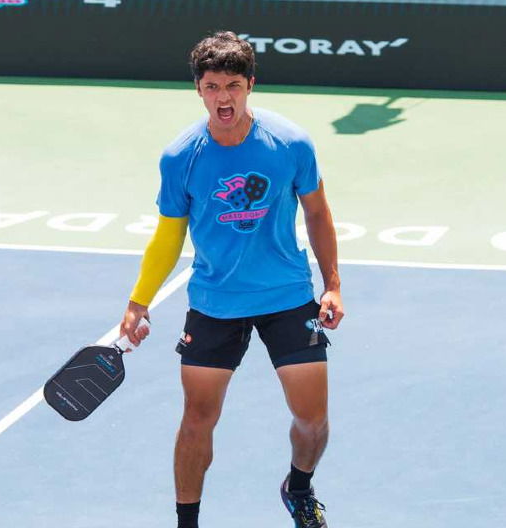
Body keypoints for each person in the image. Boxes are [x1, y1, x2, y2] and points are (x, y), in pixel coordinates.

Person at [118, 32, 344, 528]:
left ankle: (299, 487)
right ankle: (187, 521)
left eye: (234, 86)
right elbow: (168, 237)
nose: (225, 97)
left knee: (312, 419)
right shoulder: (181, 157)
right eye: (214, 86)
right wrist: (139, 301)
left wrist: (332, 283)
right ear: (198, 89)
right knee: (198, 419)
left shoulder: (291, 143)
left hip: (286, 297)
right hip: (216, 303)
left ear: (251, 86)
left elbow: (319, 214)